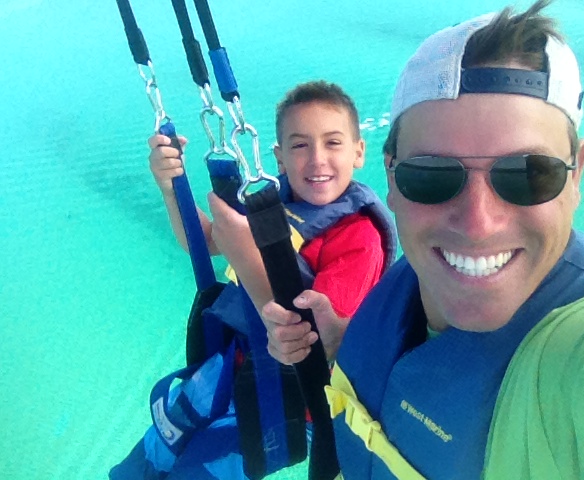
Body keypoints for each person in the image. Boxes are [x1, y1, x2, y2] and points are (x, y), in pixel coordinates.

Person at [261, 1, 584, 478]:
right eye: (433, 176)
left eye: (528, 174)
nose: (477, 223)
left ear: (576, 173)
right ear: (393, 178)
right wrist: (343, 342)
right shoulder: (417, 276)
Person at [109, 80, 397, 479]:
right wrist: (171, 187)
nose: (317, 160)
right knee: (149, 457)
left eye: (333, 143)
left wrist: (244, 257)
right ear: (279, 158)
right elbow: (208, 241)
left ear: (358, 152)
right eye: (300, 145)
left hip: (285, 402)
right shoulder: (274, 202)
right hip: (232, 367)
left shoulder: (358, 238)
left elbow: (311, 341)